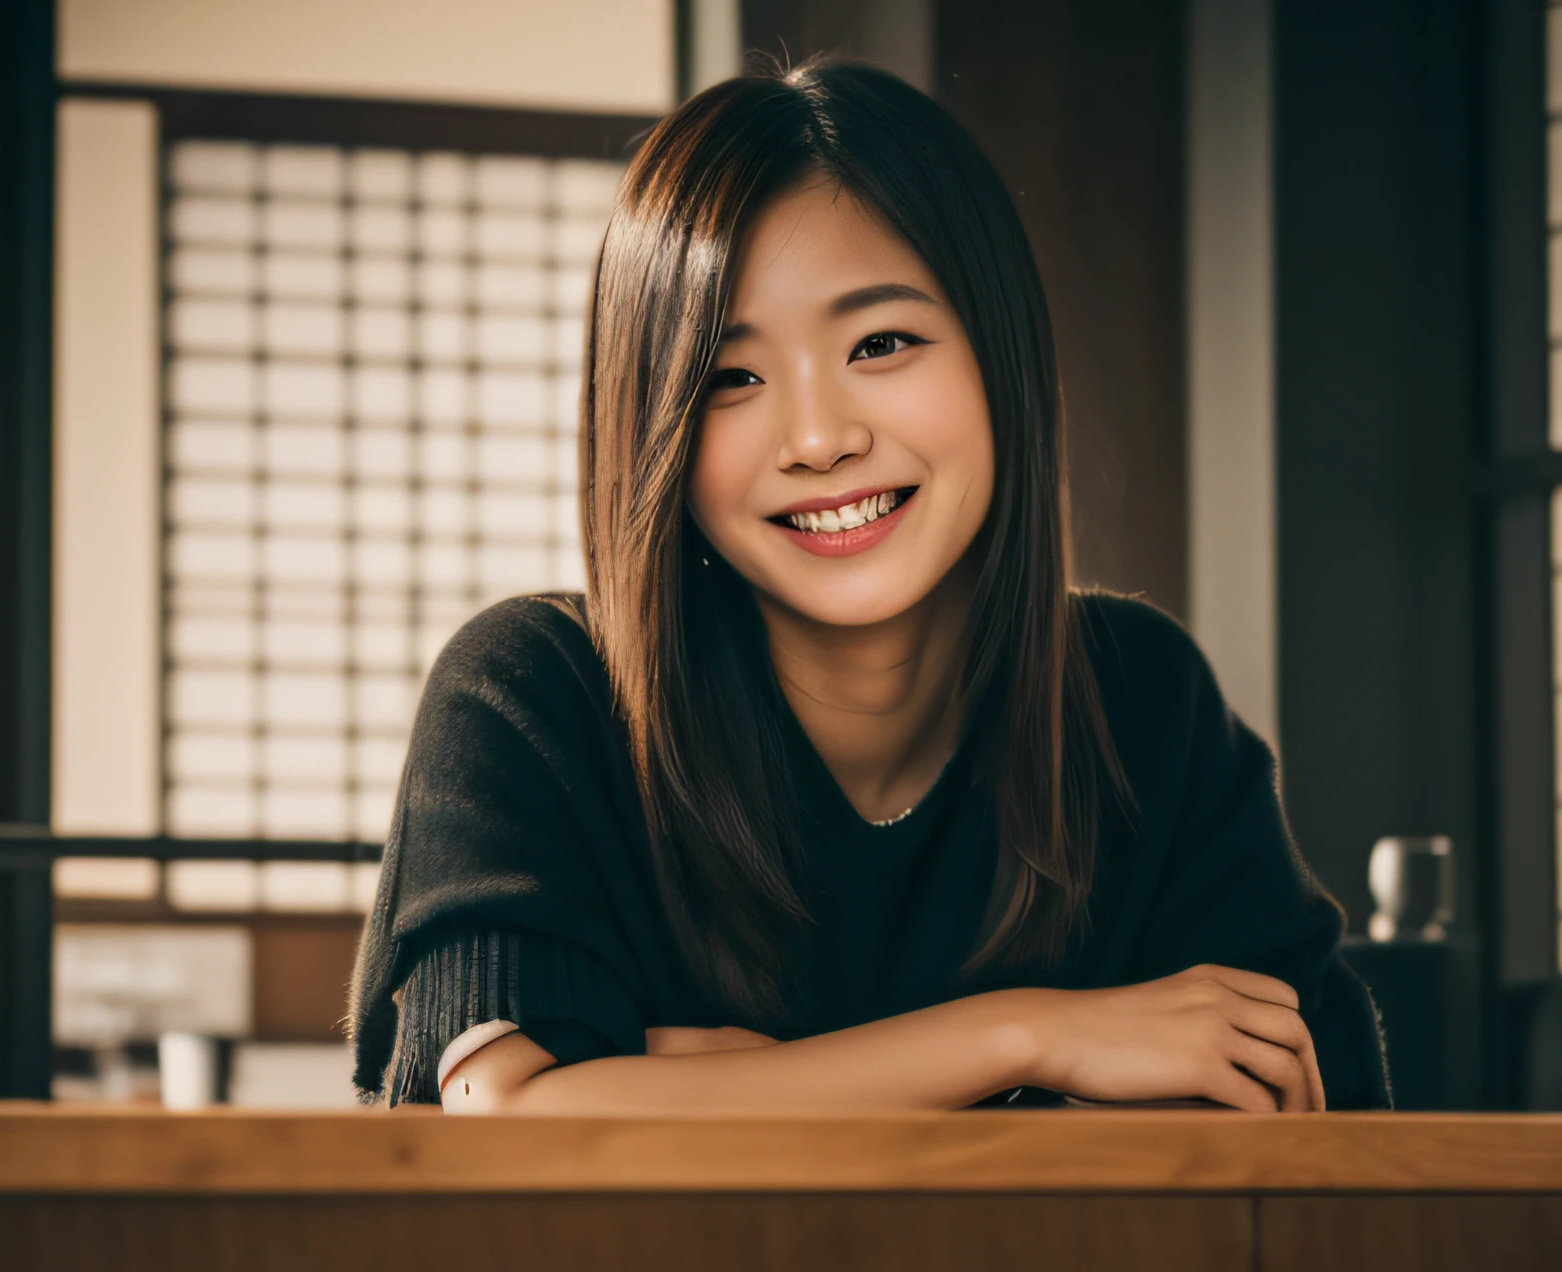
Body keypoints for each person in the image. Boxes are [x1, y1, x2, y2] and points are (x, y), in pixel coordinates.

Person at [347, 60, 1389, 1113]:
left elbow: (1302, 1113)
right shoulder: (535, 694)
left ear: (1001, 355)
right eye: (731, 378)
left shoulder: (1138, 701)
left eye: (882, 342)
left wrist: (712, 1093)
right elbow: (504, 1124)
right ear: (651, 419)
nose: (820, 438)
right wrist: (1027, 1039)